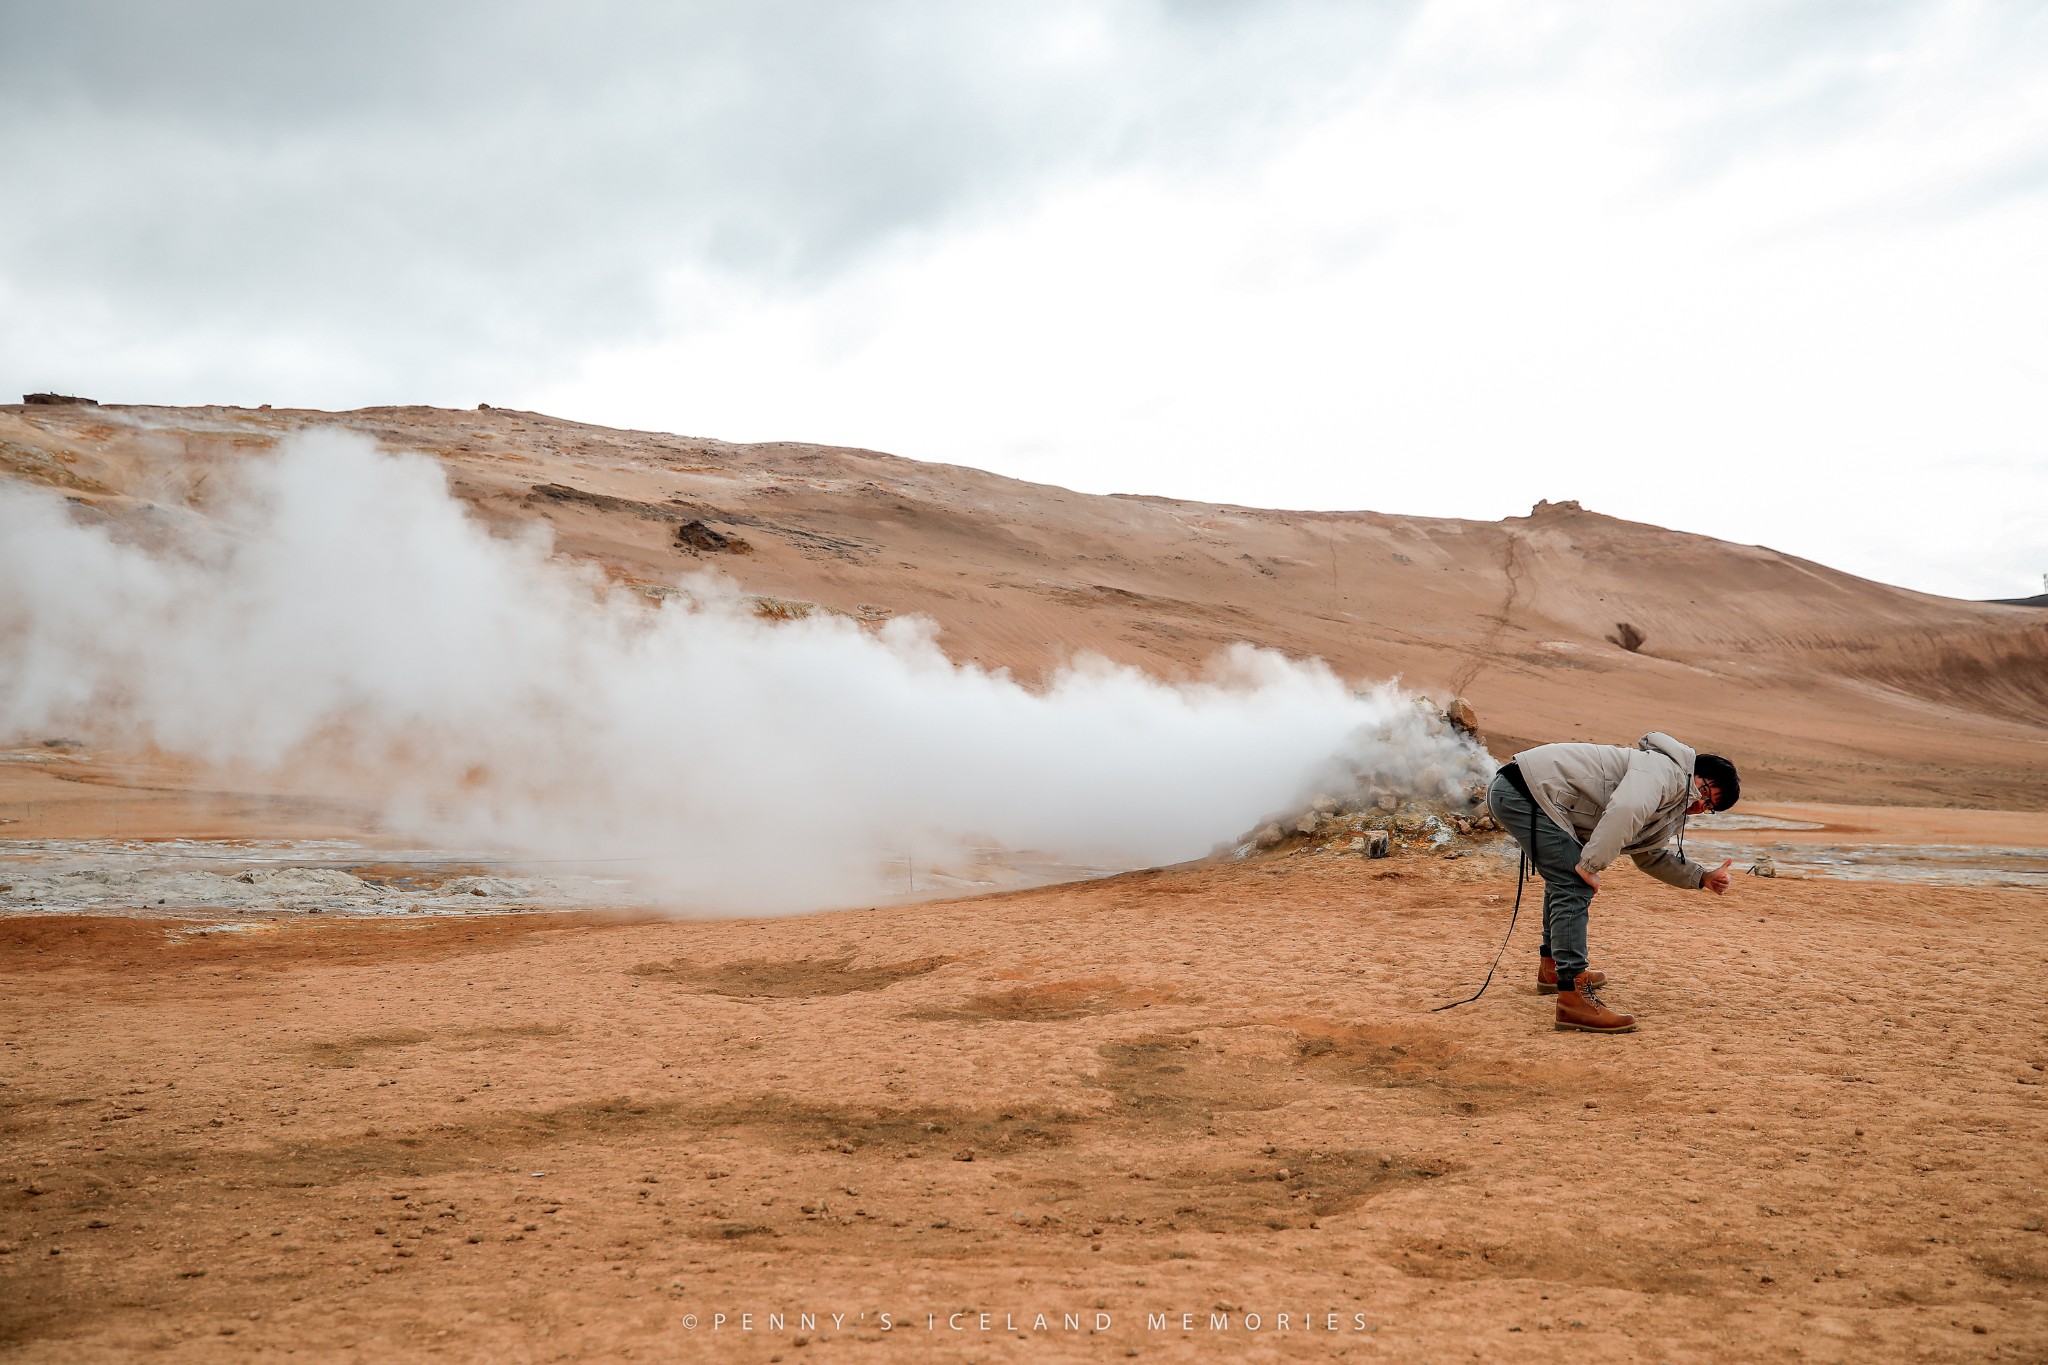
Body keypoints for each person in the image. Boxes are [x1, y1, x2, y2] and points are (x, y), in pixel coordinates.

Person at [1485, 732, 1739, 1033]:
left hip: (1531, 794)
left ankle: (1554, 969)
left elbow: (1649, 854)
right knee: (1574, 882)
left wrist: (1702, 876)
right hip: (1526, 791)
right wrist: (1591, 866)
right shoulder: (1665, 771)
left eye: (1710, 806)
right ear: (1695, 771)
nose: (1702, 805)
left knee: (1567, 876)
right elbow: (1626, 809)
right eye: (1706, 791)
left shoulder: (1673, 805)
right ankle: (1573, 998)